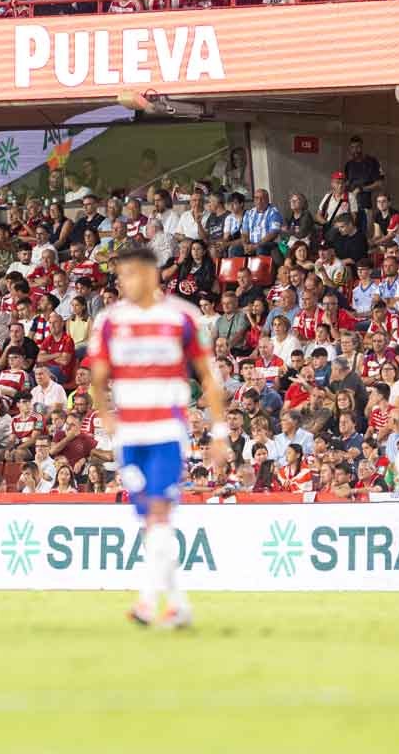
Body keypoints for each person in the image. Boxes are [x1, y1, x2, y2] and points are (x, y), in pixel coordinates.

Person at [88, 247, 227, 629]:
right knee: (150, 518)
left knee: (160, 512)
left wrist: (220, 431)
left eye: (130, 274)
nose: (123, 283)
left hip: (167, 428)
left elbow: (208, 377)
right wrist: (105, 417)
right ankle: (179, 604)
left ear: (152, 275)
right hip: (128, 434)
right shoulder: (110, 320)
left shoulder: (182, 316)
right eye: (120, 276)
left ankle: (147, 603)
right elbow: (97, 379)